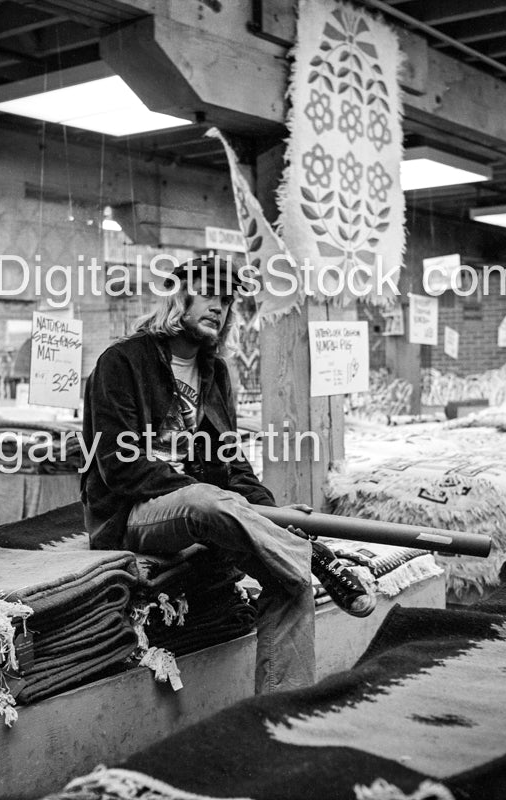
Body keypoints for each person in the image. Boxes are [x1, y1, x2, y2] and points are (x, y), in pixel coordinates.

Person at [81, 254, 374, 694]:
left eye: (227, 299)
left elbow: (231, 463)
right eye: (208, 294)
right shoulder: (121, 361)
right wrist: (221, 499)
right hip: (133, 514)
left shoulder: (214, 372)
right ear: (178, 297)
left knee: (289, 577)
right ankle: (313, 554)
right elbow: (119, 466)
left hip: (211, 508)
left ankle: (281, 710)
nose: (219, 306)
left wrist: (271, 513)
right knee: (206, 500)